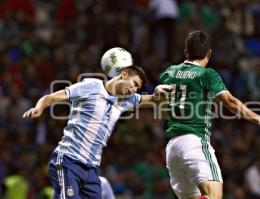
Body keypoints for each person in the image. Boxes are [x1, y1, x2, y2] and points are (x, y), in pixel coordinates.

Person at [159, 30, 260, 199]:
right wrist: (259, 118)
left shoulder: (169, 73)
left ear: (186, 52)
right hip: (194, 142)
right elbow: (229, 102)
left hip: (172, 149)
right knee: (214, 196)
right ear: (209, 53)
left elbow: (161, 98)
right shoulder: (207, 74)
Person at [23, 65, 171, 199]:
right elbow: (52, 97)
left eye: (137, 89)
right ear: (124, 74)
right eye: (134, 84)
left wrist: (159, 93)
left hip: (91, 170)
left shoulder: (126, 99)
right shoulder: (91, 86)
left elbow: (154, 99)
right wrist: (39, 107)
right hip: (68, 161)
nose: (134, 90)